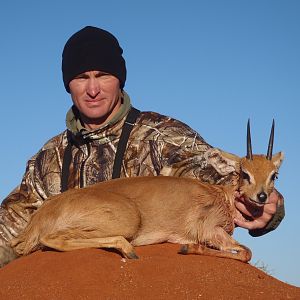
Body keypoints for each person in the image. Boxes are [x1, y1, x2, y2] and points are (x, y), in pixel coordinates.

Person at [0, 26, 284, 262]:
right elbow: (12, 225)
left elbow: (224, 180)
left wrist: (270, 206)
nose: (93, 89)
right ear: (68, 85)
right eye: (81, 78)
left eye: (103, 75)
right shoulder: (50, 158)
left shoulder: (162, 136)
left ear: (119, 80)